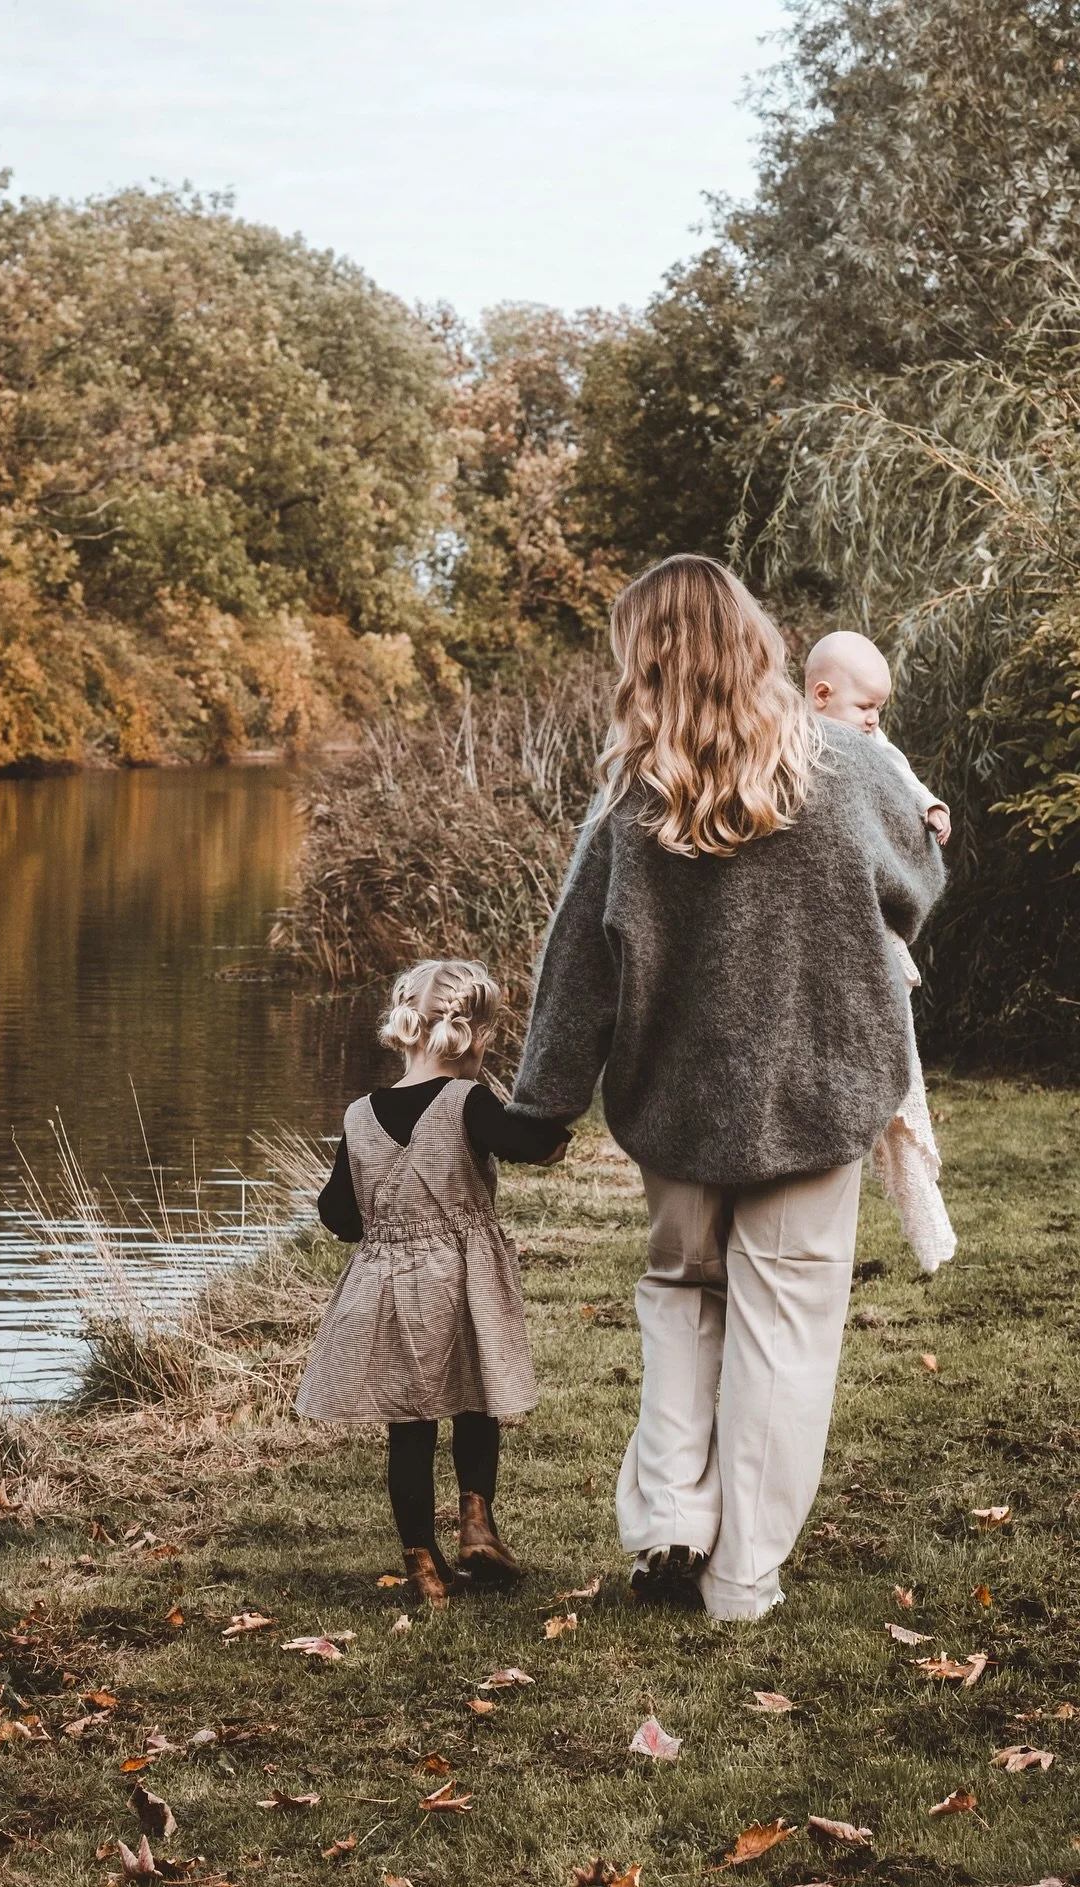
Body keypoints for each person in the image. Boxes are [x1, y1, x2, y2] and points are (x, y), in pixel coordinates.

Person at [508, 555, 945, 1621]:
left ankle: (670, 1519)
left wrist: (539, 1109)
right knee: (785, 1333)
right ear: (758, 644)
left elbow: (577, 971)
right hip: (821, 1088)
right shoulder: (848, 768)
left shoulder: (628, 805)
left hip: (678, 1105)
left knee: (680, 1299)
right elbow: (920, 886)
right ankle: (743, 1578)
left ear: (642, 665)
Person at [297, 959, 568, 1607]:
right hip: (463, 1274)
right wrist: (555, 1136)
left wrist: (385, 1220)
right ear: (473, 1036)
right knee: (476, 1401)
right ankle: (476, 1520)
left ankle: (422, 1563)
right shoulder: (467, 1101)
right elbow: (524, 1143)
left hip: (385, 1283)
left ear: (406, 1029)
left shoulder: (360, 1114)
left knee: (409, 1424)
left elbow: (337, 1213)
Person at [806, 630, 956, 1273]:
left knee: (891, 1072)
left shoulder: (870, 743)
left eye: (877, 710)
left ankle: (915, 1209)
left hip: (864, 929)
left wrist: (928, 804)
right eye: (866, 708)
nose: (874, 721)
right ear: (821, 695)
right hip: (816, 929)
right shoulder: (793, 741)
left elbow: (899, 768)